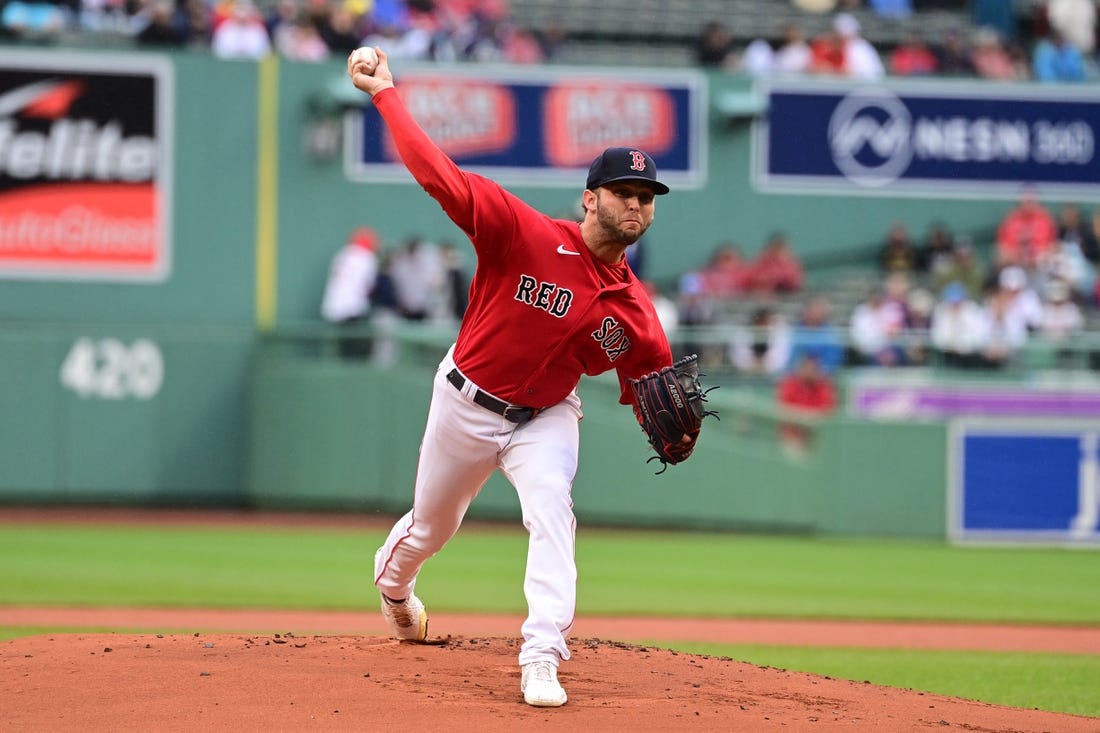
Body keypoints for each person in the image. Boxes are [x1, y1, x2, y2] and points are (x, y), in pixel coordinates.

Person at [348, 47, 694, 709]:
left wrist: (676, 433)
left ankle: (541, 655)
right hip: (465, 400)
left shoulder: (638, 314)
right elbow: (438, 175)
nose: (638, 204)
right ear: (590, 197)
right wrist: (387, 94)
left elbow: (651, 390)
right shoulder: (522, 233)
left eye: (648, 197)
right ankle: (395, 592)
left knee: (552, 511)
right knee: (432, 528)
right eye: (625, 191)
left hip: (547, 414)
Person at [321, 226, 381, 359]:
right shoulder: (367, 258)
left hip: (334, 306)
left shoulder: (342, 254)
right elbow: (369, 287)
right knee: (355, 346)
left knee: (343, 346)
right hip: (353, 308)